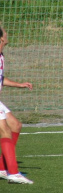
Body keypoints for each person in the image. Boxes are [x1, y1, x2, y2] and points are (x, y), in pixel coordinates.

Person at [0, 27, 34, 184]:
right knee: (5, 130)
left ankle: (2, 167)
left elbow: (1, 79)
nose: (7, 35)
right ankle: (13, 173)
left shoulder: (1, 56)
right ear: (1, 39)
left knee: (15, 125)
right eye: (5, 33)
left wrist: (19, 85)